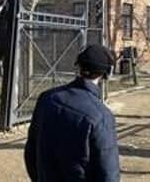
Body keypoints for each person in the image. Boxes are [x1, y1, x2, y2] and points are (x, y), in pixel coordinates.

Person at [24, 44, 119, 182]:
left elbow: (31, 152)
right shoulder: (102, 116)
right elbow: (108, 173)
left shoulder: (46, 99)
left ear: (78, 66)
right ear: (107, 73)